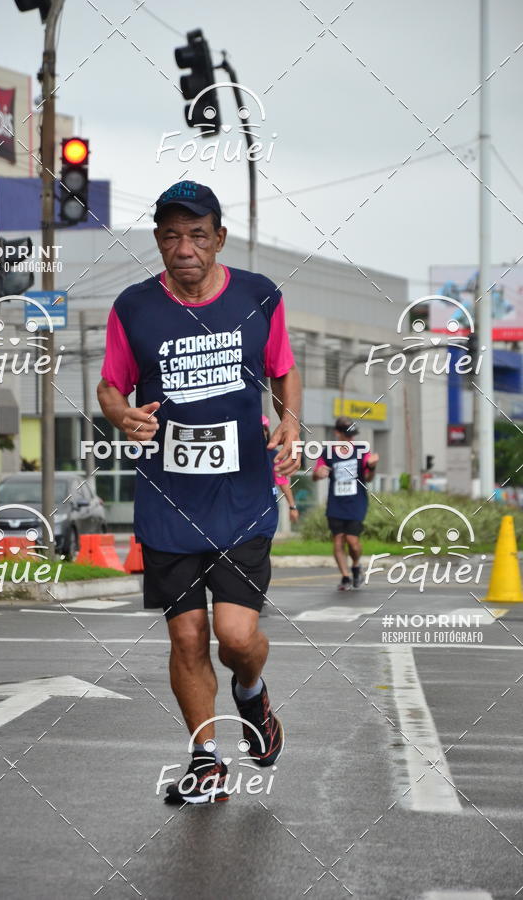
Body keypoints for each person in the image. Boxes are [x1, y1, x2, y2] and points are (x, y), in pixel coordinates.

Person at [97, 181, 302, 803]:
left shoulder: (258, 296)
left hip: (241, 497)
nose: (183, 247)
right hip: (168, 501)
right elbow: (110, 385)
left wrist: (290, 419)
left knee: (237, 639)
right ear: (158, 240)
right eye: (171, 235)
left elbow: (283, 368)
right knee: (186, 637)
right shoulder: (133, 308)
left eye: (196, 234)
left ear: (218, 237)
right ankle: (206, 758)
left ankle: (251, 695)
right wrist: (120, 414)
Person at [312, 416, 378, 590]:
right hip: (336, 502)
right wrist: (318, 473)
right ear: (337, 433)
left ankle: (356, 565)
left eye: (352, 435)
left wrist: (371, 467)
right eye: (347, 435)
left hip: (356, 502)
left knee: (353, 541)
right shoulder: (327, 452)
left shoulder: (362, 451)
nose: (351, 439)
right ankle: (345, 576)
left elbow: (369, 478)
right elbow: (315, 475)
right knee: (338, 540)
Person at [262, 415, 299, 525]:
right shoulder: (240, 455)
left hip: (268, 506)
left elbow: (282, 481)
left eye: (264, 429)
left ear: (267, 432)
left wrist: (292, 507)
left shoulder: (274, 455)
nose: (261, 432)